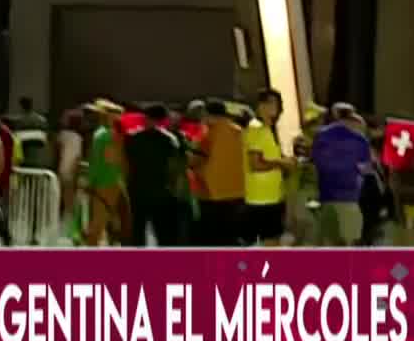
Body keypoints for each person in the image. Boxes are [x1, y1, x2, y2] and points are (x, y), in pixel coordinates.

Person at [124, 105, 190, 247]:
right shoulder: (170, 140)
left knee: (137, 233)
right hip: (163, 193)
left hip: (137, 192)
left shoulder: (133, 138)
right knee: (164, 235)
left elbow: (126, 164)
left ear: (146, 118)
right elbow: (177, 168)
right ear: (163, 119)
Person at [311, 103, 373, 247]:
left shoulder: (320, 136)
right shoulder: (359, 139)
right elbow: (366, 170)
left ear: (334, 115)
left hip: (326, 199)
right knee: (349, 248)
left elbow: (315, 164)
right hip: (350, 200)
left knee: (330, 248)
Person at [242, 91, 294, 246]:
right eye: (272, 103)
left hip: (269, 195)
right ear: (260, 106)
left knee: (270, 242)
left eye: (277, 104)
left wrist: (284, 160)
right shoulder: (258, 129)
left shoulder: (265, 129)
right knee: (270, 243)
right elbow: (256, 164)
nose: (277, 108)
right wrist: (281, 163)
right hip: (262, 198)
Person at [193, 99, 247, 246]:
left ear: (209, 114)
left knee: (215, 239)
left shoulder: (208, 134)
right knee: (233, 236)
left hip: (213, 194)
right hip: (239, 192)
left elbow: (195, 161)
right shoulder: (239, 131)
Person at [81, 107, 127, 246]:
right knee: (109, 222)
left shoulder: (101, 135)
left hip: (102, 183)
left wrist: (89, 181)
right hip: (116, 182)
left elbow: (96, 162)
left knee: (97, 224)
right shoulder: (120, 136)